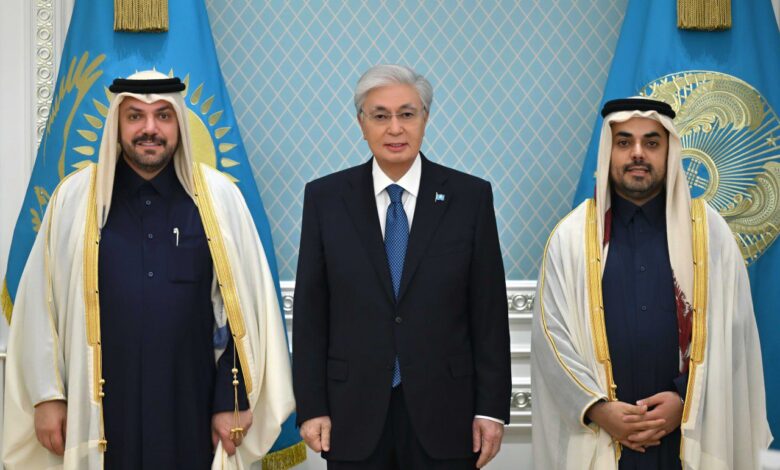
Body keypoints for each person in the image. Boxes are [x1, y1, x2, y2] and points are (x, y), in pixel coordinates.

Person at [3, 70, 295, 469]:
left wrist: (232, 400)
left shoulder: (219, 200)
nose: (150, 129)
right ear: (117, 125)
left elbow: (241, 312)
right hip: (101, 411)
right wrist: (48, 396)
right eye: (135, 116)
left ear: (179, 124)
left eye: (163, 115)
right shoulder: (74, 200)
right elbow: (41, 304)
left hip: (190, 408)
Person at [531, 97, 772, 469]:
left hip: (688, 434)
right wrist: (599, 409)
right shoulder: (572, 237)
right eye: (624, 142)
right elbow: (552, 339)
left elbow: (732, 334)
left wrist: (685, 400)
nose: (638, 153)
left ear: (670, 151)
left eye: (652, 142)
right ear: (609, 151)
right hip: (602, 436)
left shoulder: (709, 233)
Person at [292, 64, 511, 469]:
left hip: (447, 412)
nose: (395, 128)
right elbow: (310, 313)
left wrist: (491, 409)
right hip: (351, 413)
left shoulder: (469, 197)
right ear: (361, 124)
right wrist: (311, 406)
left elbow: (489, 313)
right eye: (380, 116)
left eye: (407, 114)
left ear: (425, 118)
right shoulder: (325, 198)